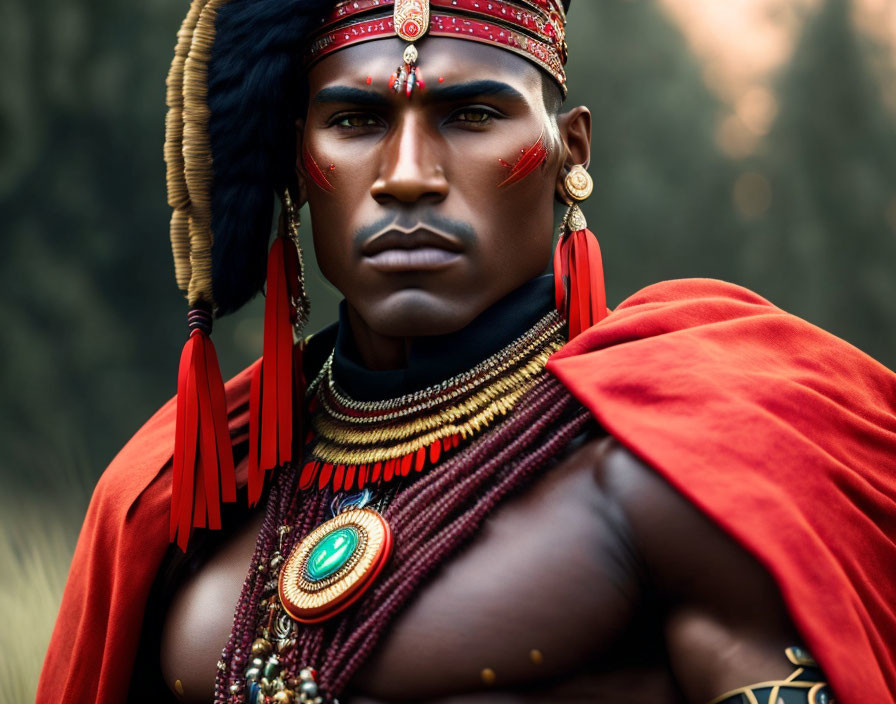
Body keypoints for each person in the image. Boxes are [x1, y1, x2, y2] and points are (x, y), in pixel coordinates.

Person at [37, 1, 896, 703]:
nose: (407, 173)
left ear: (571, 152)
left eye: (472, 113)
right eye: (356, 118)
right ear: (297, 164)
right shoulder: (188, 501)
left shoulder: (676, 479)